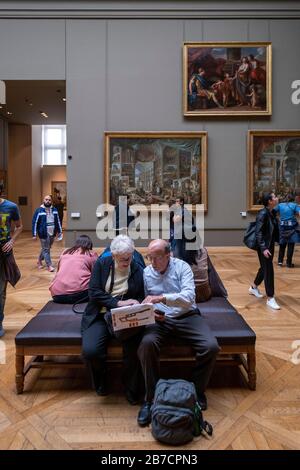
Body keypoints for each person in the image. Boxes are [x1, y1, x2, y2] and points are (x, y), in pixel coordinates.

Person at [136, 239, 220, 427]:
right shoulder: (146, 272)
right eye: (149, 257)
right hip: (159, 319)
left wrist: (162, 298)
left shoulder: (182, 267)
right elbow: (144, 300)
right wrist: (150, 311)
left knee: (211, 347)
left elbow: (189, 298)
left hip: (186, 316)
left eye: (156, 258)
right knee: (146, 345)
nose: (152, 262)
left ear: (168, 255)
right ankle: (150, 399)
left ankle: (196, 391)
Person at [81, 235, 145, 402]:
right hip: (100, 315)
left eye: (129, 258)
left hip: (125, 317)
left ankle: (131, 389)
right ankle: (101, 380)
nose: (126, 262)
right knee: (91, 351)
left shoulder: (137, 268)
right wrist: (118, 303)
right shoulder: (102, 264)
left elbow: (140, 295)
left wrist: (135, 304)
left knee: (133, 350)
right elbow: (94, 293)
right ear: (113, 255)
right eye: (122, 259)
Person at [249, 192, 280, 310]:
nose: (277, 198)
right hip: (264, 247)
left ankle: (253, 287)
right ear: (269, 201)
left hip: (269, 245)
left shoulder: (272, 212)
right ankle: (270, 298)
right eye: (274, 197)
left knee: (264, 267)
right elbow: (258, 232)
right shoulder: (263, 214)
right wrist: (263, 248)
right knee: (269, 270)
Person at [0, 183, 23, 337]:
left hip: (3, 253)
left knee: (1, 290)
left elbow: (20, 226)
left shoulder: (11, 207)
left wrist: (11, 241)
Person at [49, 235, 98, 303]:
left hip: (57, 295)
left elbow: (58, 272)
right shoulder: (91, 255)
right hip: (80, 295)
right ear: (89, 244)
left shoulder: (64, 253)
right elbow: (96, 276)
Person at [32, 195, 63, 272]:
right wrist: (34, 234)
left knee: (46, 248)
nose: (48, 201)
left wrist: (60, 231)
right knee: (46, 249)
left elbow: (58, 221)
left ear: (51, 201)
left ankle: (39, 260)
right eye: (46, 199)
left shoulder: (54, 209)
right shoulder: (39, 210)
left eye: (49, 200)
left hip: (52, 232)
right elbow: (34, 222)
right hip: (43, 233)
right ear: (43, 200)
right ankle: (49, 265)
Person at [275, 194, 300, 268]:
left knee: (282, 245)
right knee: (290, 246)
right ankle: (289, 263)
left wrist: (277, 219)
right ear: (292, 199)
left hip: (282, 228)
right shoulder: (294, 205)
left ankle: (280, 262)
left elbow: (272, 212)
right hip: (291, 228)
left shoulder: (280, 205)